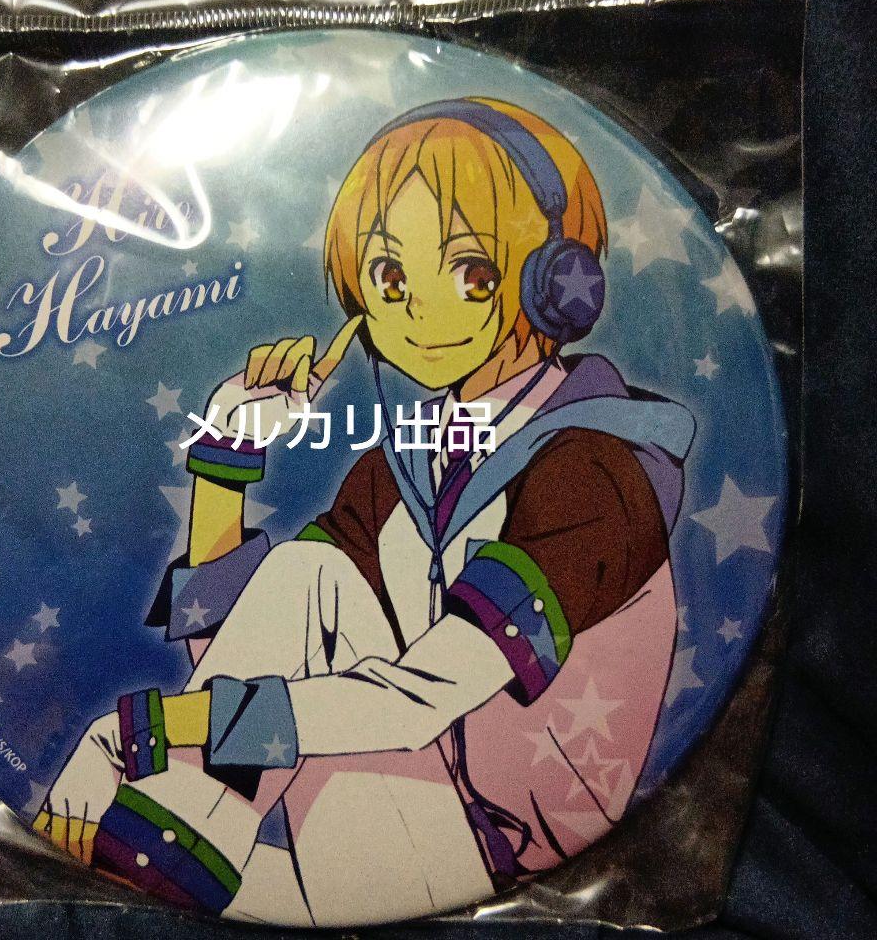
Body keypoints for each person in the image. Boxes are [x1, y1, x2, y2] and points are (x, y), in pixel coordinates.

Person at [34, 98, 695, 926]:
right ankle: (161, 854)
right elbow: (252, 644)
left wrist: (142, 733)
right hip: (386, 805)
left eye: (471, 272)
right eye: (389, 277)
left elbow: (415, 701)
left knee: (216, 758)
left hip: (508, 852)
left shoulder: (596, 468)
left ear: (558, 284)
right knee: (304, 571)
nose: (416, 309)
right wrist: (227, 456)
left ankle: (156, 856)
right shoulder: (405, 464)